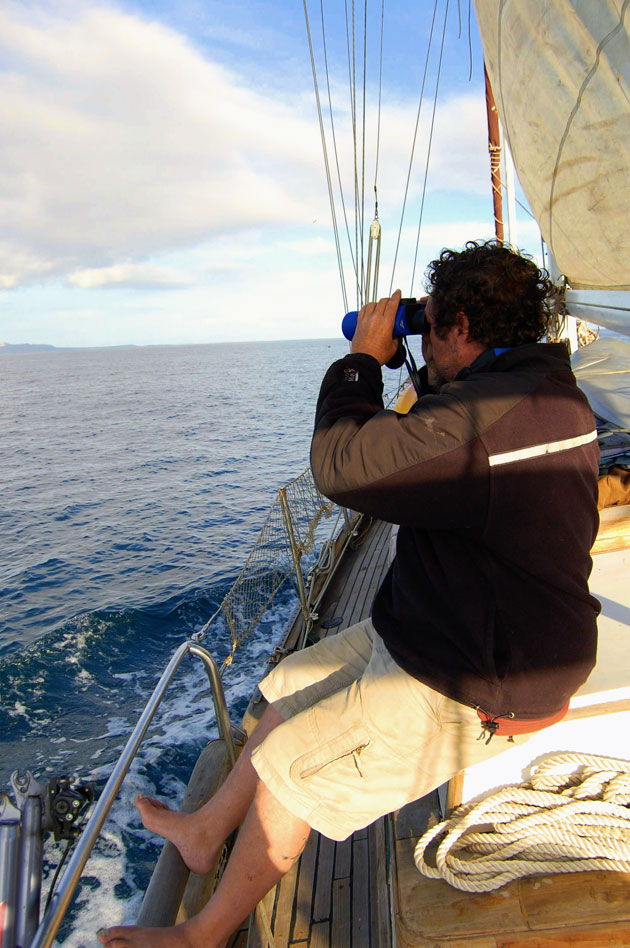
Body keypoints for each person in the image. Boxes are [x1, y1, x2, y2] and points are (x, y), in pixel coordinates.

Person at [98, 240, 601, 948]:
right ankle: (207, 832)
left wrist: (363, 358)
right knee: (284, 692)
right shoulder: (541, 392)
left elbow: (342, 467)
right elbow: (454, 428)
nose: (423, 339)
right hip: (444, 627)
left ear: (459, 328)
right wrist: (424, 369)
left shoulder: (486, 421)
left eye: (432, 328)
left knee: (289, 770)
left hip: (485, 675)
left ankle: (202, 934)